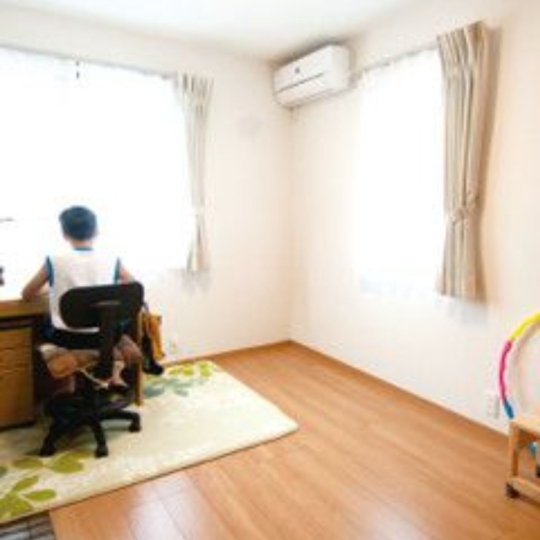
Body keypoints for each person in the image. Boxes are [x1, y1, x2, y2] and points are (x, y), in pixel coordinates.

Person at [21, 205, 141, 388]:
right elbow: (133, 287)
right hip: (106, 337)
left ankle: (68, 386)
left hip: (66, 338)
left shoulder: (54, 260)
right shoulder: (111, 259)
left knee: (44, 321)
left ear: (64, 234)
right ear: (97, 231)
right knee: (119, 322)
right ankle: (112, 374)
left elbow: (27, 294)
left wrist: (51, 287)